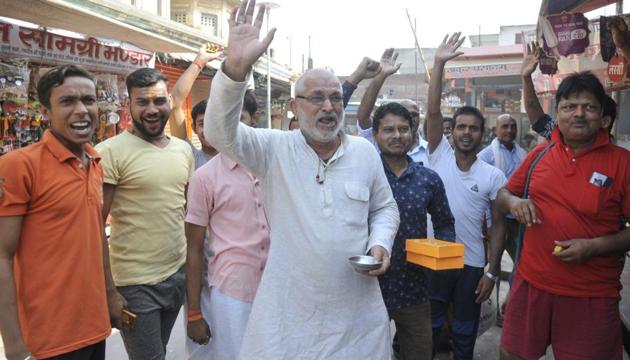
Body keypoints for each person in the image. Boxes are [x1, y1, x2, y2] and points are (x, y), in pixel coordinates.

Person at [204, 1, 400, 358]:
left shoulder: (364, 153)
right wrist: (234, 69)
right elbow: (218, 132)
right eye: (316, 98)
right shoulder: (273, 149)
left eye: (335, 98)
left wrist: (380, 245)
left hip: (357, 316)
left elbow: (385, 207)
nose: (328, 107)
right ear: (294, 108)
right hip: (288, 319)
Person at [497, 71, 630, 360]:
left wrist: (595, 246)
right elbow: (503, 195)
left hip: (590, 293)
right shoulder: (540, 153)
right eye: (569, 107)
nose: (579, 114)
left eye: (589, 107)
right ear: (557, 113)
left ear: (602, 115)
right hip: (531, 283)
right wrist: (515, 202)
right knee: (510, 354)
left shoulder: (622, 163)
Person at [0, 65, 111, 360]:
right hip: (47, 340)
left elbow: (96, 233)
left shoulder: (95, 161)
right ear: (46, 112)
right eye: (67, 101)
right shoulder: (19, 165)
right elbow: (2, 255)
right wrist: (13, 347)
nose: (82, 110)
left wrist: (111, 293)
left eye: (89, 100)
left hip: (95, 326)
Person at [96, 68, 194, 360]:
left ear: (169, 103)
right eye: (142, 102)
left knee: (159, 352)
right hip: (135, 285)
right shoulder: (109, 152)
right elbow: (93, 225)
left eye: (159, 101)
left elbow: (186, 211)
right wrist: (109, 291)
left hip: (177, 275)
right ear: (129, 106)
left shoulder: (183, 151)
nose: (152, 109)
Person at [425, 33, 507, 360]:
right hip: (433, 257)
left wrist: (492, 271)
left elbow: (499, 226)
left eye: (473, 128)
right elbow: (432, 113)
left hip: (471, 263)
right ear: (451, 130)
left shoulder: (492, 175)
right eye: (461, 127)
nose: (466, 133)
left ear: (481, 134)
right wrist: (439, 63)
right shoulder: (438, 154)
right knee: (428, 328)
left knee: (463, 331)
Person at [185, 89, 269, 360]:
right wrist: (195, 313)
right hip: (233, 292)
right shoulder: (204, 178)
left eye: (240, 118)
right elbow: (194, 249)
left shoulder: (274, 165)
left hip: (278, 286)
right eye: (227, 118)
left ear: (252, 120)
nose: (234, 126)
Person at [372, 102, 456, 360]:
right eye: (389, 130)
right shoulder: (364, 175)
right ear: (375, 135)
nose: (397, 136)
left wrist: (441, 253)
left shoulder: (428, 179)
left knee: (419, 353)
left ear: (413, 133)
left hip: (415, 286)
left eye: (403, 129)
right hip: (368, 287)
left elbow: (444, 222)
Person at [355, 48, 430, 165]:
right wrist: (381, 76)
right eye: (406, 114)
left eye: (414, 115)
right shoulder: (380, 144)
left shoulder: (430, 150)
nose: (411, 118)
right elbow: (363, 117)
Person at [169, 46, 222, 168]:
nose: (209, 129)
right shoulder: (192, 157)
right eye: (202, 124)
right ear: (194, 128)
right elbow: (175, 102)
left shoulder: (239, 159)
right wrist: (200, 61)